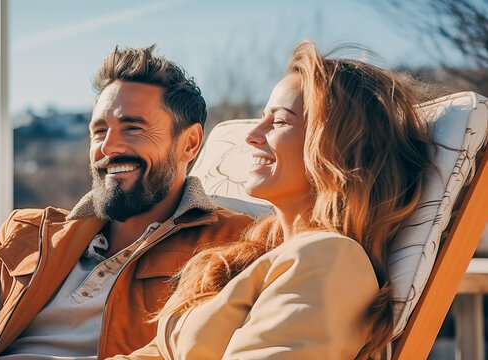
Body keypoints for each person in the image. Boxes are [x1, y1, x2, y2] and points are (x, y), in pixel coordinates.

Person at [0, 46, 252, 360]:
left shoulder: (230, 244)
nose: (107, 147)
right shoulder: (29, 233)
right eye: (98, 131)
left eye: (132, 128)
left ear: (190, 142)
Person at [110, 41, 433, 360]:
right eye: (262, 117)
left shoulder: (332, 260)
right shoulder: (247, 258)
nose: (252, 134)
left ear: (336, 149)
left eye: (279, 121)